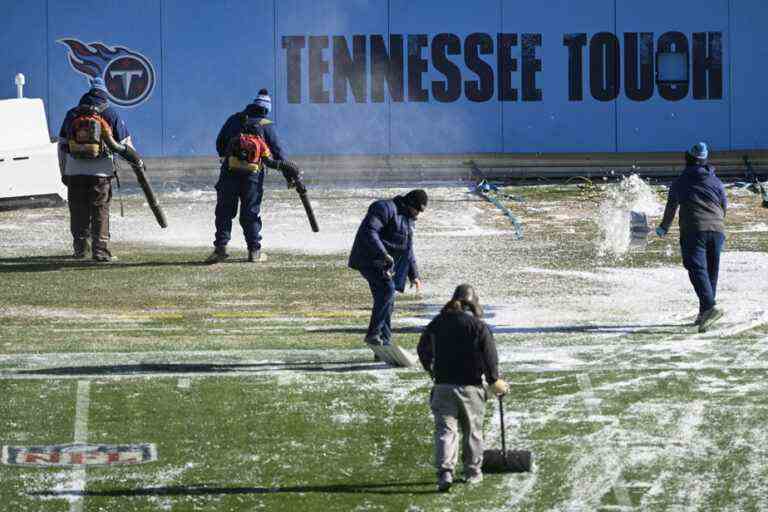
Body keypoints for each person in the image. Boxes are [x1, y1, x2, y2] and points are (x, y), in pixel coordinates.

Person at [417, 284, 509, 492]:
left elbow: (422, 349)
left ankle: (445, 472)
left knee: (445, 431)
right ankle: (472, 472)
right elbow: (490, 357)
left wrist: (432, 371)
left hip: (442, 387)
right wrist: (495, 381)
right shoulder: (478, 326)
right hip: (471, 388)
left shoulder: (437, 323)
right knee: (472, 432)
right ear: (474, 304)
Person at [206, 89, 296, 263]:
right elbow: (279, 154)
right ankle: (254, 251)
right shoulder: (266, 125)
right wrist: (289, 176)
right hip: (252, 177)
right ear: (266, 109)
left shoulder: (234, 119)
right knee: (250, 212)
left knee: (225, 211)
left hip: (229, 173)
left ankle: (220, 249)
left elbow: (220, 144)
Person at [58, 77, 133, 262]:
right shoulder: (110, 113)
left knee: (77, 210)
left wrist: (64, 171)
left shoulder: (71, 114)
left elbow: (61, 146)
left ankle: (80, 250)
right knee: (100, 210)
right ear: (105, 93)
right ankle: (100, 252)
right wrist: (135, 164)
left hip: (74, 172)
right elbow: (126, 145)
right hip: (101, 173)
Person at [656, 142, 727, 332]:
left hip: (695, 229)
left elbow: (672, 207)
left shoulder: (681, 181)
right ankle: (705, 312)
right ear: (704, 160)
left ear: (687, 158)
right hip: (718, 229)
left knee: (696, 268)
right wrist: (717, 225)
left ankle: (710, 307)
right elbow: (723, 205)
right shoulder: (716, 181)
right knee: (710, 271)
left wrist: (663, 228)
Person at [348, 189, 428, 346]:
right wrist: (383, 254)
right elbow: (369, 231)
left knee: (386, 301)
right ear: (410, 204)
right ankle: (374, 334)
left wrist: (414, 275)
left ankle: (384, 343)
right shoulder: (384, 208)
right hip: (368, 259)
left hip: (384, 264)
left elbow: (407, 249)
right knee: (387, 290)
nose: (417, 214)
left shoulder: (407, 220)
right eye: (417, 210)